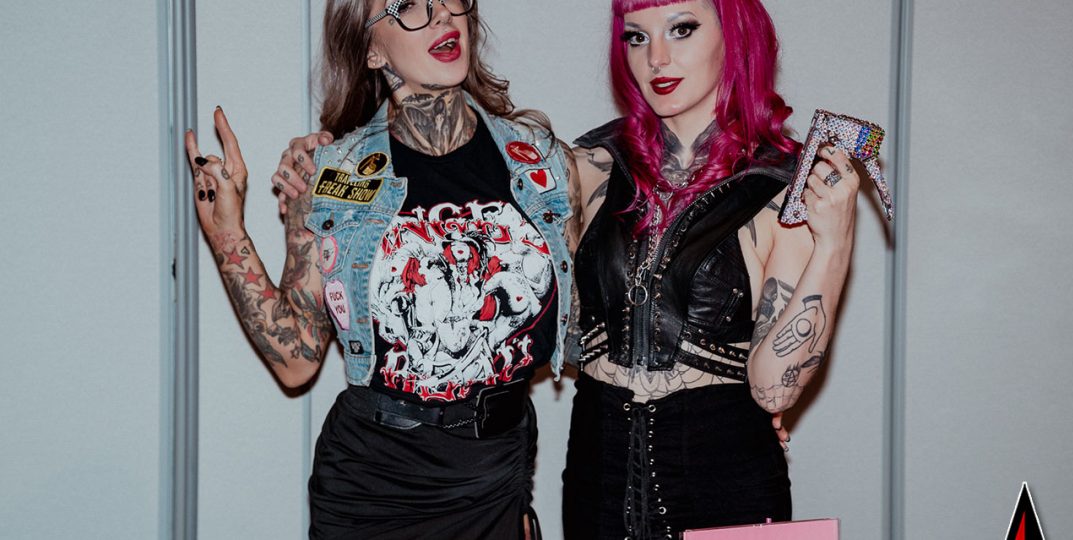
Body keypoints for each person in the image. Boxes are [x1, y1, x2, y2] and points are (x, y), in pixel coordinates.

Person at [187, 0, 576, 537]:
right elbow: (295, 360)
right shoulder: (331, 176)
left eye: (449, 0)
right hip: (375, 488)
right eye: (407, 6)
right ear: (371, 50)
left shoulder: (541, 161)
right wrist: (227, 233)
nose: (441, 16)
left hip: (496, 475)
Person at [561, 0, 865, 537]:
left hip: (722, 481)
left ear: (735, 34)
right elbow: (546, 331)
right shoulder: (589, 164)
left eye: (681, 29)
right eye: (636, 37)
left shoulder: (783, 181)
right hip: (597, 477)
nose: (656, 58)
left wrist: (835, 243)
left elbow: (774, 392)